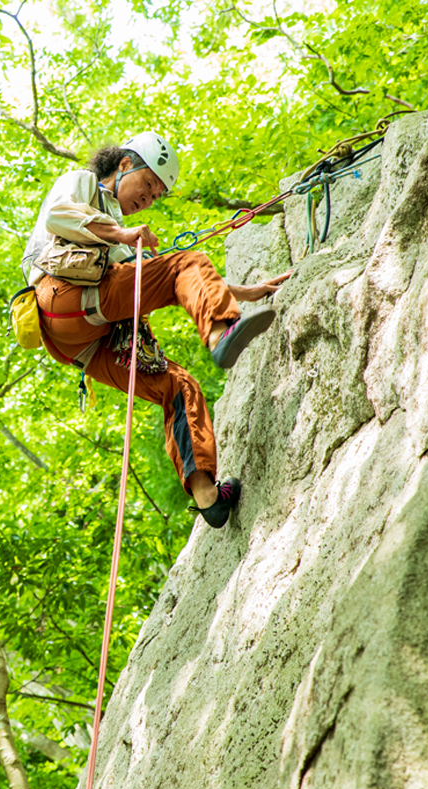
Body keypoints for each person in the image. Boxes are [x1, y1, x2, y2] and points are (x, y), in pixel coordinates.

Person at [21, 131, 289, 529]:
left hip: (87, 341)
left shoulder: (116, 233)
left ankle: (208, 497)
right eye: (147, 184)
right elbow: (59, 216)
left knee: (180, 387)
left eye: (155, 195)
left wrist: (248, 292)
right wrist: (123, 234)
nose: (147, 199)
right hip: (61, 292)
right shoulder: (84, 184)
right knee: (187, 261)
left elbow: (171, 279)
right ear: (125, 164)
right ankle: (220, 330)